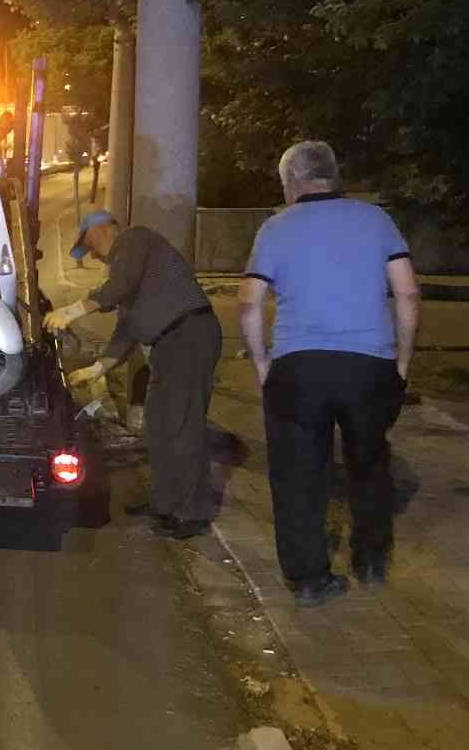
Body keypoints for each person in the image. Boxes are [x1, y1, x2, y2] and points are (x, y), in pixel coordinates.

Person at [237, 141, 421, 607]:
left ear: (291, 183)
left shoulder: (275, 229)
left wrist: (262, 363)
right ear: (333, 176)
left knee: (298, 475)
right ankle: (371, 561)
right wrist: (400, 361)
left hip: (299, 369)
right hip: (369, 367)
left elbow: (249, 303)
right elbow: (408, 295)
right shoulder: (377, 220)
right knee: (370, 464)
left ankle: (309, 579)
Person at [46, 211, 222, 538]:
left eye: (90, 248)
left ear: (99, 230)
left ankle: (191, 513)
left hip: (188, 334)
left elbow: (117, 287)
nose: (95, 257)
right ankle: (165, 504)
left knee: (182, 426)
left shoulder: (135, 239)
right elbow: (125, 332)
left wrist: (70, 312)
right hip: (169, 345)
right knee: (158, 425)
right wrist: (96, 370)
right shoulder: (128, 274)